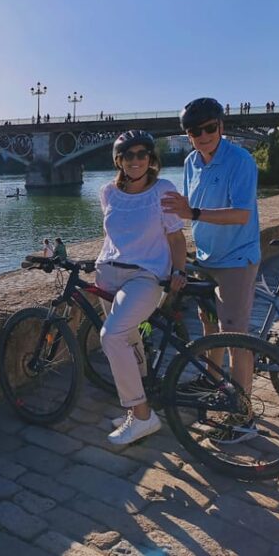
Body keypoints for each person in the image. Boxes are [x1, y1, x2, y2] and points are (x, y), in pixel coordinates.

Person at [161, 97, 261, 443]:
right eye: (194, 131)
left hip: (235, 259)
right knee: (209, 327)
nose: (202, 136)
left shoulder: (240, 160)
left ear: (221, 127)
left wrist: (193, 214)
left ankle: (244, 417)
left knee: (235, 337)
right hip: (206, 257)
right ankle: (213, 381)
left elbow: (241, 214)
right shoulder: (191, 161)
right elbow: (188, 206)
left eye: (208, 128)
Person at [96, 130, 187, 445]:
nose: (135, 160)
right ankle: (136, 406)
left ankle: (143, 416)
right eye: (128, 155)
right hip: (108, 273)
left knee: (112, 336)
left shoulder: (163, 190)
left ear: (151, 158)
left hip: (145, 276)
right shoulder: (108, 192)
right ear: (118, 160)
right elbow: (113, 234)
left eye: (142, 154)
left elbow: (176, 237)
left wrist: (179, 271)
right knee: (129, 338)